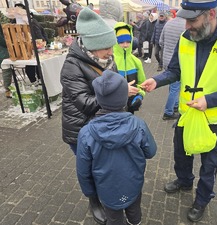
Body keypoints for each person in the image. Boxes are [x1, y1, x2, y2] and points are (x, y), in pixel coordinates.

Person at [141, 0, 217, 222]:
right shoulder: (187, 37)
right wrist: (156, 81)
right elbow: (175, 70)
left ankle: (202, 200)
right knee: (182, 152)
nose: (187, 26)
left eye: (193, 20)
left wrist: (210, 100)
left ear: (211, 14)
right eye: (186, 19)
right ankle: (184, 181)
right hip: (188, 113)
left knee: (210, 164)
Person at [60, 7, 139, 224]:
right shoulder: (71, 67)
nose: (111, 52)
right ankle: (94, 201)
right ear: (92, 46)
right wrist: (121, 94)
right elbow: (85, 104)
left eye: (111, 46)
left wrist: (126, 92)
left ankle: (107, 198)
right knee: (89, 171)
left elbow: (112, 86)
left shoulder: (105, 60)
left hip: (103, 126)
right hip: (81, 130)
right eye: (106, 47)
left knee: (104, 170)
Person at [76, 70, 157, 225]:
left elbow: (83, 170)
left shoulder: (86, 133)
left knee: (114, 218)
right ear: (124, 98)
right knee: (135, 213)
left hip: (106, 189)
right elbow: (151, 151)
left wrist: (89, 192)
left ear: (99, 99)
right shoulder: (138, 125)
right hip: (133, 184)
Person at [114, 22, 146, 114]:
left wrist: (139, 96)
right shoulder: (110, 61)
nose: (125, 45)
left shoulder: (136, 62)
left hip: (131, 106)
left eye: (128, 41)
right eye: (121, 42)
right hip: (113, 107)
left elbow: (142, 84)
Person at [159, 16, 186, 120]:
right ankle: (168, 112)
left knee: (173, 85)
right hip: (178, 61)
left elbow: (161, 42)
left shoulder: (168, 23)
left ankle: (175, 105)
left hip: (166, 59)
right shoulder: (186, 26)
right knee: (175, 88)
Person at [0, 11, 14, 98]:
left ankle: (8, 89)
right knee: (6, 69)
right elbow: (2, 40)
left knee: (6, 69)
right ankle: (8, 90)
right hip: (2, 52)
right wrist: (10, 44)